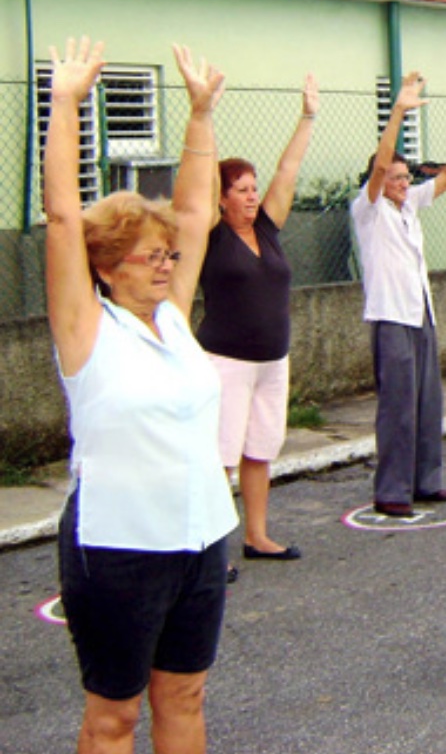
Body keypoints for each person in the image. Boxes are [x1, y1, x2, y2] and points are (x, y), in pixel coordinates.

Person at [45, 39, 232, 753]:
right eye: (150, 256)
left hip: (199, 535)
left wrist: (201, 114)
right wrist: (66, 102)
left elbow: (195, 209)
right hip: (119, 545)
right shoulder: (86, 330)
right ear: (105, 266)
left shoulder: (173, 318)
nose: (165, 264)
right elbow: (63, 218)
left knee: (185, 695)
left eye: (167, 255)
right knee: (114, 717)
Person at [351, 72, 446, 517]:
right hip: (391, 316)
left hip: (421, 313)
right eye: (396, 177)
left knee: (428, 402)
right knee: (397, 406)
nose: (403, 182)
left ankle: (426, 480)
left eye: (406, 176)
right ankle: (392, 489)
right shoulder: (368, 208)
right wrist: (398, 113)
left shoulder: (408, 205)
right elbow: (379, 168)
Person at [198, 73, 318, 564]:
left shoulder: (266, 230)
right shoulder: (211, 235)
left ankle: (257, 537)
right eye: (241, 190)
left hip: (273, 361)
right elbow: (201, 176)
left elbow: (288, 170)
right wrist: (204, 113)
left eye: (253, 188)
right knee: (220, 457)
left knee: (259, 451)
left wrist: (307, 116)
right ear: (221, 197)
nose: (251, 196)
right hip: (226, 362)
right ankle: (212, 552)